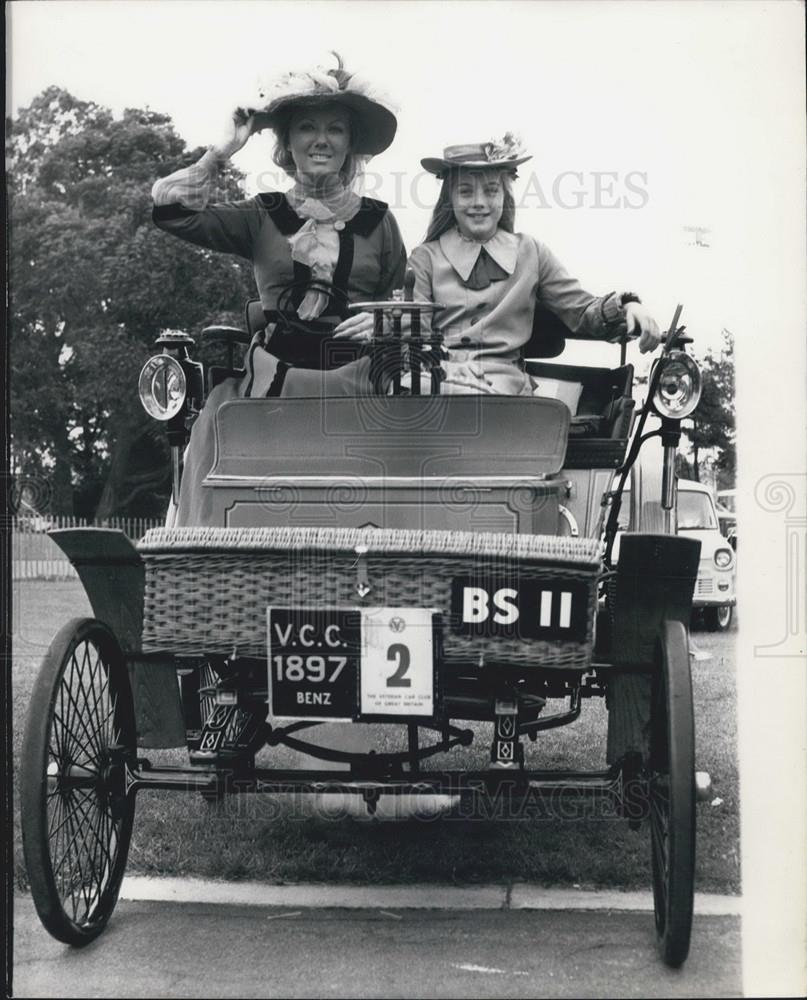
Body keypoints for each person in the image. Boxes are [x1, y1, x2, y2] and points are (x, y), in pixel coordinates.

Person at [151, 54, 406, 523]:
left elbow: (401, 307)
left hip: (360, 384)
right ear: (287, 141)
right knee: (214, 428)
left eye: (335, 129)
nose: (322, 140)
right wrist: (223, 150)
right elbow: (171, 212)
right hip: (272, 385)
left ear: (350, 143)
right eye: (307, 127)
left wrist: (381, 322)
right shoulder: (260, 214)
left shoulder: (381, 222)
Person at [336, 136, 660, 394]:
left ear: (505, 196)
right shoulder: (426, 258)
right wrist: (386, 323)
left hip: (504, 390)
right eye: (465, 192)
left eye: (491, 191)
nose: (479, 202)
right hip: (437, 380)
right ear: (450, 200)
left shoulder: (531, 252)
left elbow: (581, 309)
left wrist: (628, 307)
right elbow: (414, 323)